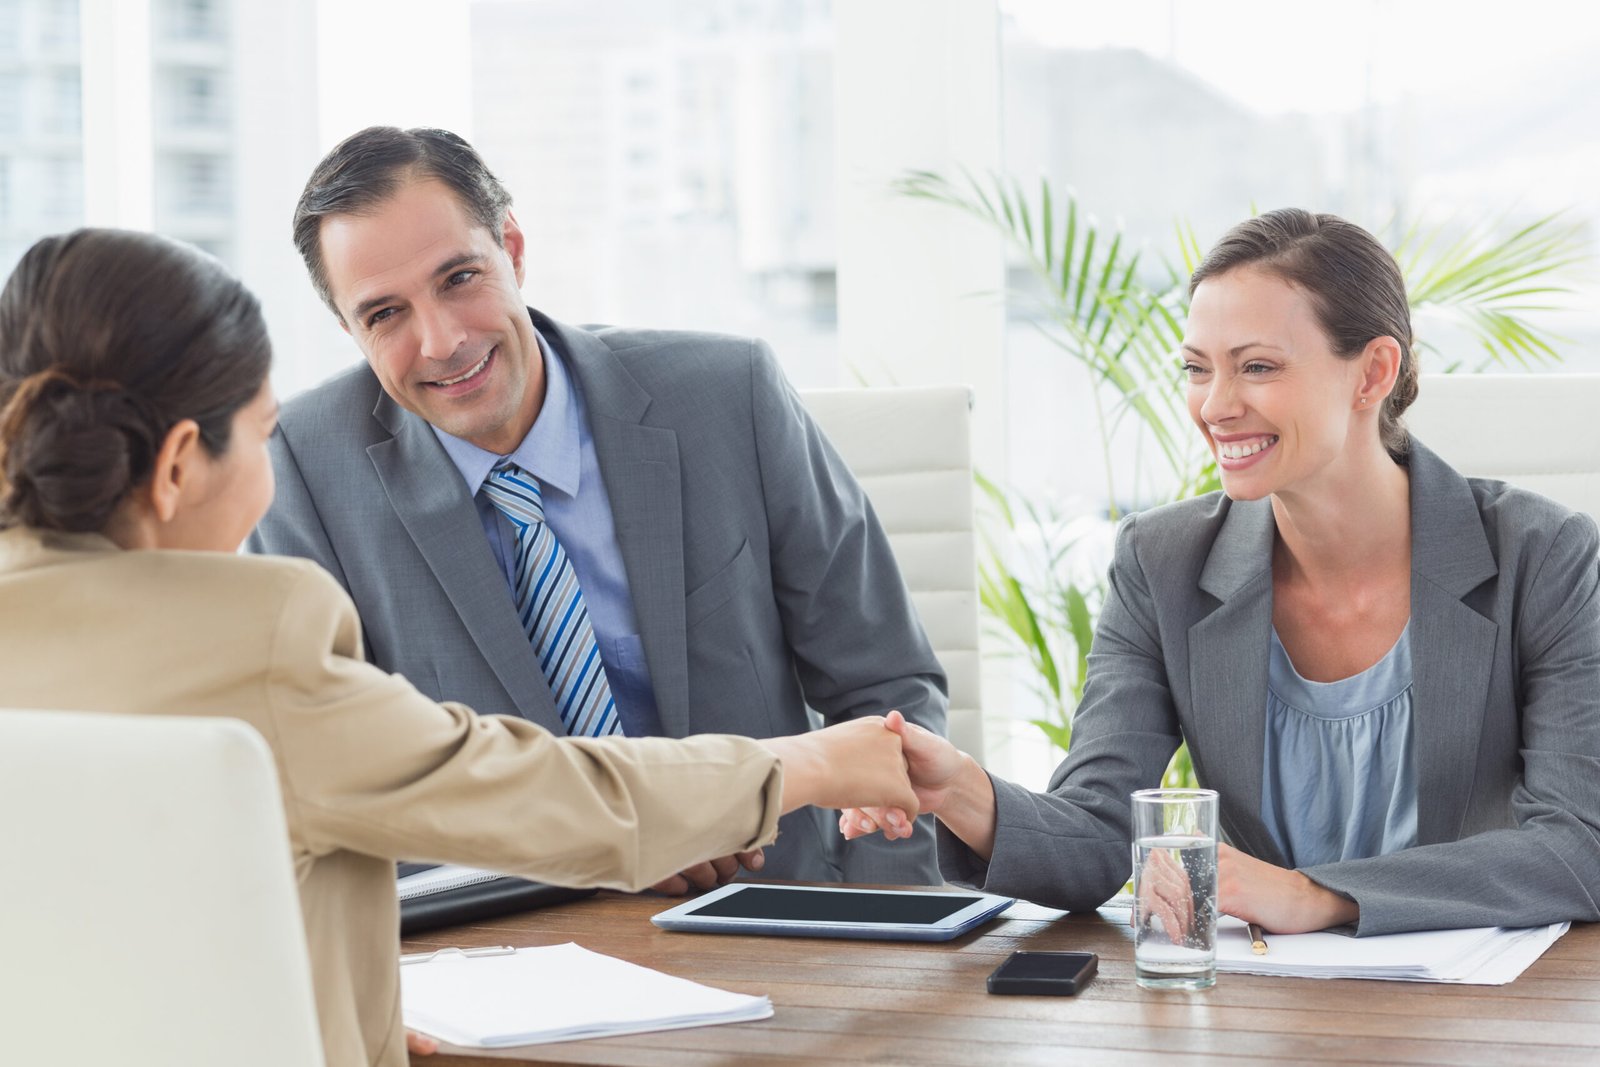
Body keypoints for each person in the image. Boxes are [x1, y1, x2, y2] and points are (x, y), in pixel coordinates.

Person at [0, 228, 922, 1067]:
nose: (437, 340)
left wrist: (327, 1005)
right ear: (174, 467)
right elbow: (534, 793)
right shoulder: (253, 631)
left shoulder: (721, 394)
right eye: (263, 434)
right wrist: (804, 764)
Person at [846, 208, 1600, 937]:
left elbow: (1578, 844)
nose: (1215, 405)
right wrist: (962, 792)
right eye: (1196, 369)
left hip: (1485, 1013)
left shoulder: (1547, 556)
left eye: (1258, 367)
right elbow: (1101, 830)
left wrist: (1316, 895)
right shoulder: (1163, 562)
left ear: (1373, 372)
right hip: (1258, 1006)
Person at [248, 126, 946, 889]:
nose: (442, 341)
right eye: (384, 314)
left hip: (777, 910)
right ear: (348, 329)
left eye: (459, 278)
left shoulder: (727, 395)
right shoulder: (303, 471)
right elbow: (339, 782)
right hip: (511, 943)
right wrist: (625, 836)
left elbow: (886, 684)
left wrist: (886, 916)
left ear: (512, 249)